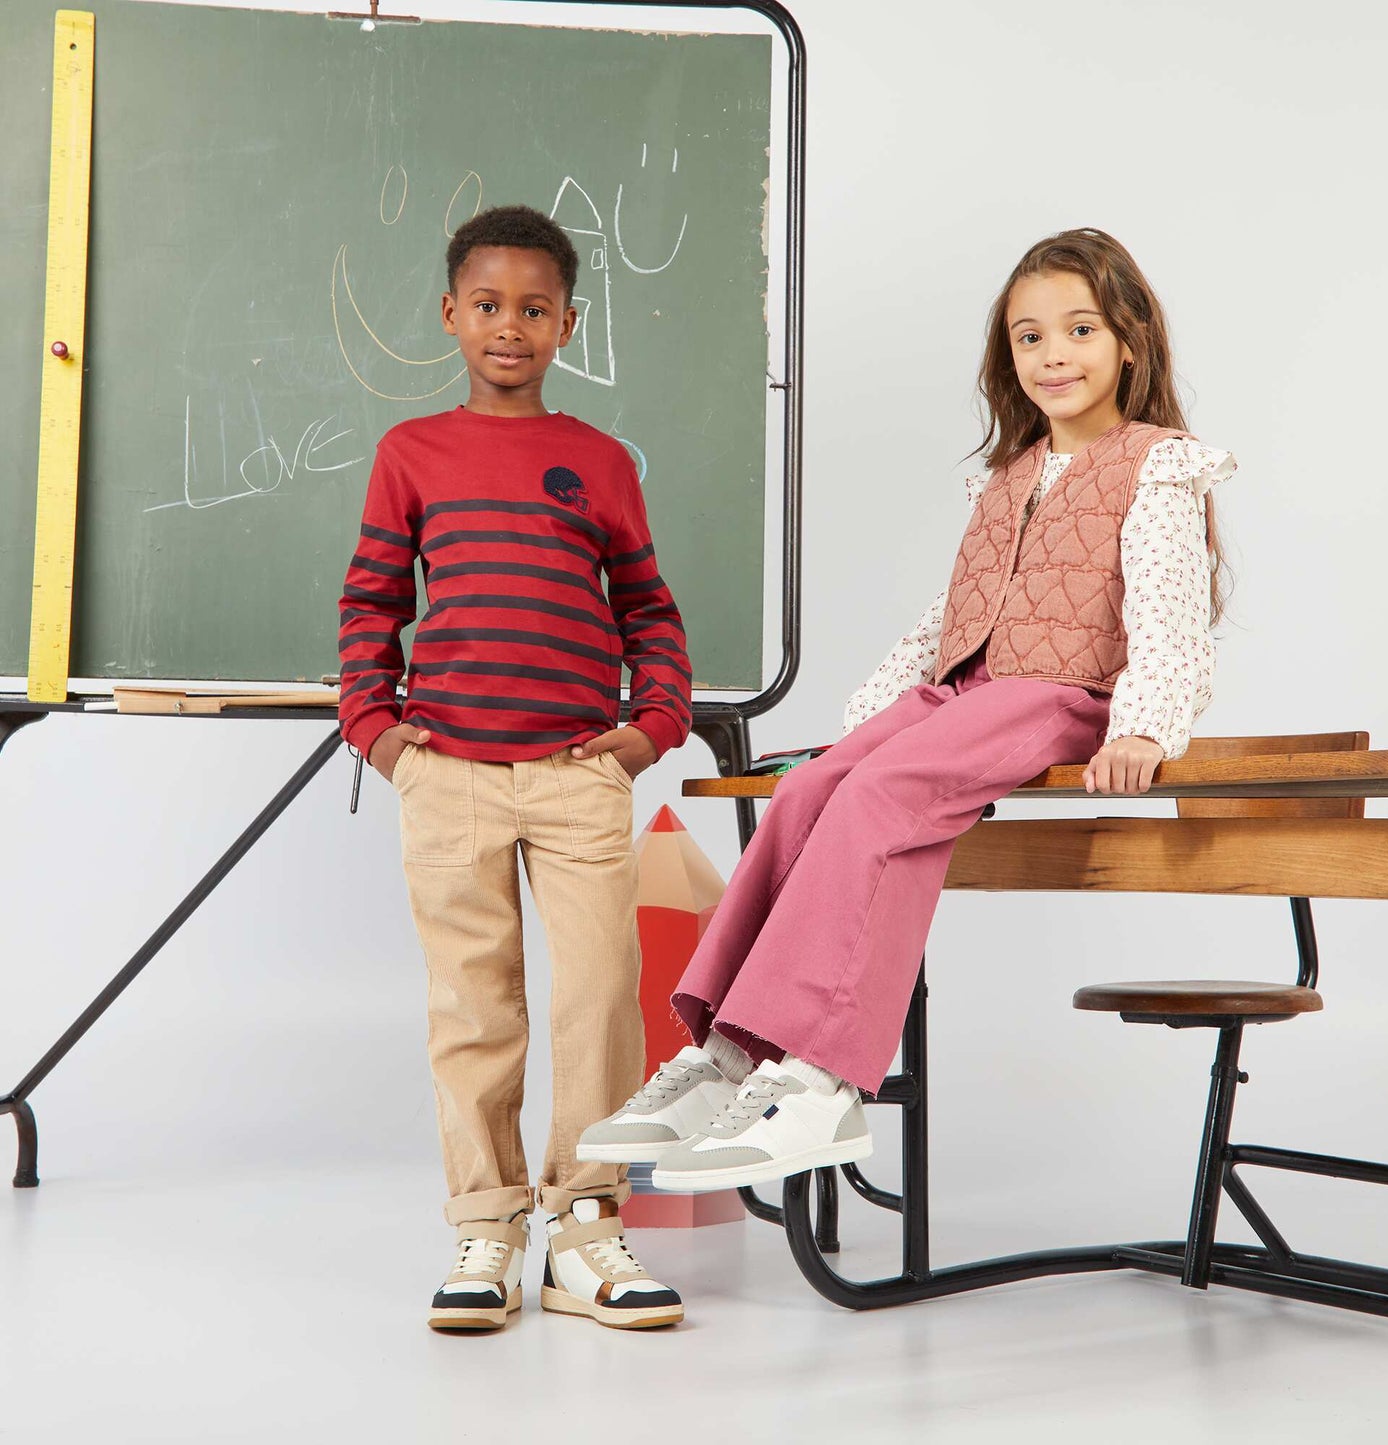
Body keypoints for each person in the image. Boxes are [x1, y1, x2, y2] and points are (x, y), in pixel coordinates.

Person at [579, 227, 1232, 1192]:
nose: (1053, 356)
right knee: (810, 794)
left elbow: (1168, 608)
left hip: (1060, 691)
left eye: (1079, 330)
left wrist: (1144, 722)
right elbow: (954, 613)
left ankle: (823, 1074)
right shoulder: (1007, 477)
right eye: (1028, 338)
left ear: (1128, 341)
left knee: (883, 797)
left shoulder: (1158, 466)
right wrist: (867, 718)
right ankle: (728, 1050)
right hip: (965, 688)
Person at [338, 205, 691, 1330]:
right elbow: (372, 603)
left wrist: (649, 729)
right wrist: (381, 734)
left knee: (596, 999)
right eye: (487, 305)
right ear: (451, 315)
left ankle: (583, 1234)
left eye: (533, 308)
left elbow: (647, 608)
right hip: (447, 771)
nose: (509, 325)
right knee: (474, 1004)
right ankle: (486, 1225)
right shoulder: (411, 454)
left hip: (578, 771)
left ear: (566, 324)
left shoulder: (596, 461)